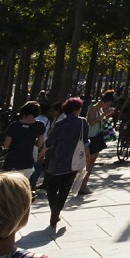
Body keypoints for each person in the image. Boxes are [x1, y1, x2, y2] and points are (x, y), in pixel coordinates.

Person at [41, 99, 90, 230]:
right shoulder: (83, 122)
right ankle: (58, 210)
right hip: (74, 161)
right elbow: (85, 142)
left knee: (51, 187)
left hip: (57, 160)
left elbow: (50, 142)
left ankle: (53, 208)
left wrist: (43, 151)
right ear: (76, 109)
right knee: (65, 188)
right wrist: (87, 156)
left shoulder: (59, 123)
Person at [79, 92, 116, 198]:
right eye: (108, 104)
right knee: (88, 163)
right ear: (105, 101)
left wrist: (105, 117)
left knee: (90, 163)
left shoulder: (99, 109)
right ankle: (83, 185)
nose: (107, 106)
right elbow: (91, 122)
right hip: (91, 138)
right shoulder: (94, 108)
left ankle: (84, 184)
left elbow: (97, 122)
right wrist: (104, 115)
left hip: (96, 137)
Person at [0, 105, 45, 180]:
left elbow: (6, 144)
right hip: (27, 161)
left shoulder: (14, 125)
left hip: (12, 161)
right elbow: (39, 144)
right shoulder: (39, 125)